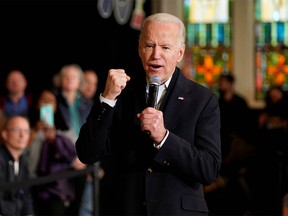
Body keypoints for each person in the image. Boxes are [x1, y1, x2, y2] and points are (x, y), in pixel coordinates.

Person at [76, 12, 221, 216]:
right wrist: (107, 100)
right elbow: (87, 153)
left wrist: (164, 138)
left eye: (165, 47)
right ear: (139, 48)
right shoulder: (120, 92)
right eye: (149, 45)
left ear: (180, 53)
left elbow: (209, 169)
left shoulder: (203, 100)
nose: (156, 55)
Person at [0, 115, 34, 216]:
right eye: (16, 130)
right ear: (5, 134)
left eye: (26, 131)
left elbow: (26, 194)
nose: (22, 135)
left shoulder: (23, 160)